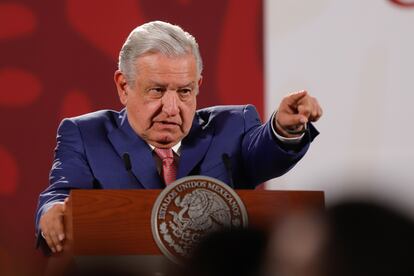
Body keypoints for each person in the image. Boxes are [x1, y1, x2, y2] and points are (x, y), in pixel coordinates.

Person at [35, 21, 322, 254]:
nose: (172, 109)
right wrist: (53, 212)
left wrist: (285, 129)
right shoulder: (86, 134)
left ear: (197, 86)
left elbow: (264, 151)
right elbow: (61, 195)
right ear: (124, 86)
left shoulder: (232, 127)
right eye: (157, 91)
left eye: (184, 92)